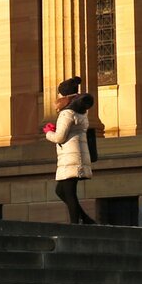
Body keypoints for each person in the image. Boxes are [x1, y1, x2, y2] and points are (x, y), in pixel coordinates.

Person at [44, 78, 96, 224]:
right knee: (61, 191)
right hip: (78, 156)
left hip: (70, 158)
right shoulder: (80, 112)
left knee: (69, 193)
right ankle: (86, 219)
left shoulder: (66, 113)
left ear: (64, 96)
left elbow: (60, 137)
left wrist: (48, 132)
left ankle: (75, 225)